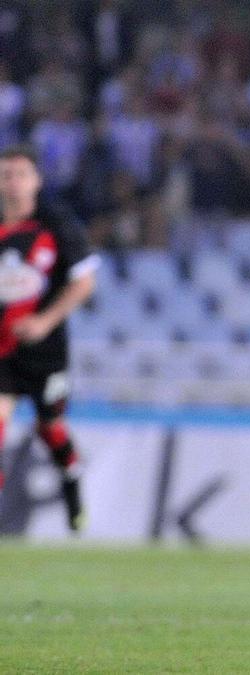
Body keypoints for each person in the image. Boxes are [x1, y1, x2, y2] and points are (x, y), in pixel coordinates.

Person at [0, 144, 97, 533]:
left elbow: (84, 283)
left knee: (49, 428)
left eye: (21, 174)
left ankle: (72, 484)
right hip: (1, 351)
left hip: (45, 351)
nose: (13, 183)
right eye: (6, 174)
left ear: (37, 180)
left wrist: (44, 321)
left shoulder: (55, 224)